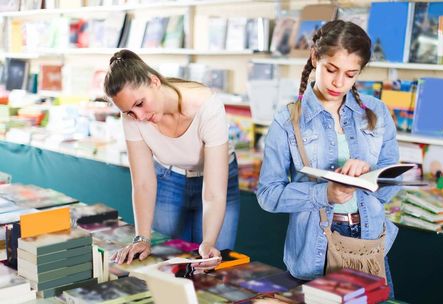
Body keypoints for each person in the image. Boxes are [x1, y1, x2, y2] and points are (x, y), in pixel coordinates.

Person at [256, 20, 400, 297]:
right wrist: (326, 194)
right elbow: (268, 194)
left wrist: (368, 175)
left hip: (370, 244)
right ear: (315, 58)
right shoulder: (287, 119)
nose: (338, 82)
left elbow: (391, 183)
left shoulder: (377, 111)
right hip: (314, 249)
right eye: (331, 70)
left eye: (350, 74)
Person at [104, 50, 239, 270]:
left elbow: (214, 192)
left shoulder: (207, 106)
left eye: (140, 104)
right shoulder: (131, 114)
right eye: (129, 112)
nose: (139, 117)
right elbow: (143, 183)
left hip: (217, 183)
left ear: (154, 81)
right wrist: (142, 238)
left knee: (211, 266)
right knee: (165, 263)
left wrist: (209, 241)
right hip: (169, 178)